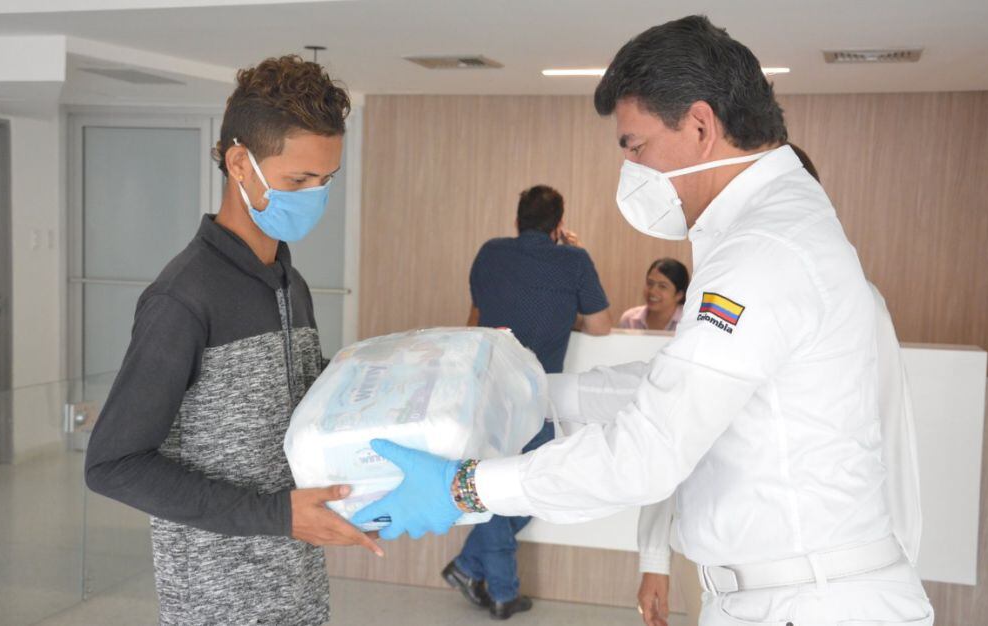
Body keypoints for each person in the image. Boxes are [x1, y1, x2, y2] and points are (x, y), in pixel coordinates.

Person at [352, 16, 933, 626]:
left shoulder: (764, 249)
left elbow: (647, 452)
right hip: (789, 595)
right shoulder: (773, 231)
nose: (632, 169)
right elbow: (675, 387)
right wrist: (531, 390)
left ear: (701, 126)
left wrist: (464, 487)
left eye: (636, 145)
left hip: (807, 604)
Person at [84, 56, 380, 626]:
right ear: (241, 163)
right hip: (215, 605)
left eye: (326, 180)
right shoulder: (182, 298)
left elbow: (301, 423)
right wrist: (277, 516)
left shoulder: (290, 283)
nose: (316, 196)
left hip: (298, 590)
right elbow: (113, 464)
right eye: (299, 180)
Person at [634, 142, 822, 626]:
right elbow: (671, 431)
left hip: (819, 583)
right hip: (725, 576)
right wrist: (655, 558)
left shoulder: (853, 309)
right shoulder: (723, 300)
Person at [446, 184, 610, 619]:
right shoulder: (575, 261)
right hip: (537, 394)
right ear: (558, 225)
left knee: (510, 485)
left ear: (517, 220)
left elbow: (474, 319)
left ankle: (469, 566)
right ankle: (501, 590)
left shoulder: (490, 252)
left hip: (487, 388)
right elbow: (600, 327)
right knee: (529, 485)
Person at [618, 258, 689, 331]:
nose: (652, 291)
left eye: (662, 286)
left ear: (679, 295)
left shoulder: (690, 321)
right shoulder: (629, 320)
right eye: (650, 283)